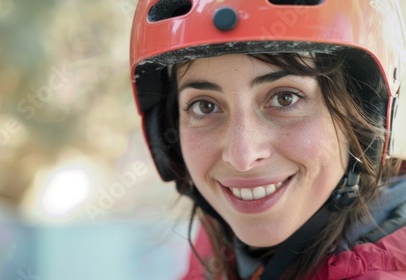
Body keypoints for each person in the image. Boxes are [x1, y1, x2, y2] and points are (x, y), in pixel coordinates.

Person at [130, 1, 406, 279]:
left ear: (362, 116)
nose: (243, 158)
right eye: (205, 106)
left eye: (285, 98)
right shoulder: (215, 247)